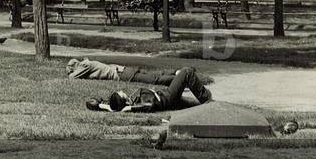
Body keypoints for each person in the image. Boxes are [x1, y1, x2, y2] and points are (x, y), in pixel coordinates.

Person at [66, 58, 211, 105]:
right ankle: (178, 75)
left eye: (71, 70)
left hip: (123, 75)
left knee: (155, 79)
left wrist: (71, 73)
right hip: (124, 70)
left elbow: (73, 78)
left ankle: (184, 78)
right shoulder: (88, 64)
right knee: (155, 77)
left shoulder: (85, 65)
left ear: (75, 67)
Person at [84, 68, 212, 113]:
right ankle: (207, 99)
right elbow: (149, 106)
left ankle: (208, 103)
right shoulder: (134, 105)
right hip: (167, 98)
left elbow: (108, 106)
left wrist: (99, 105)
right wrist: (129, 108)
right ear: (123, 99)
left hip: (167, 96)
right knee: (187, 72)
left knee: (198, 106)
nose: (121, 91)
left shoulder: (118, 105)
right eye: (120, 93)